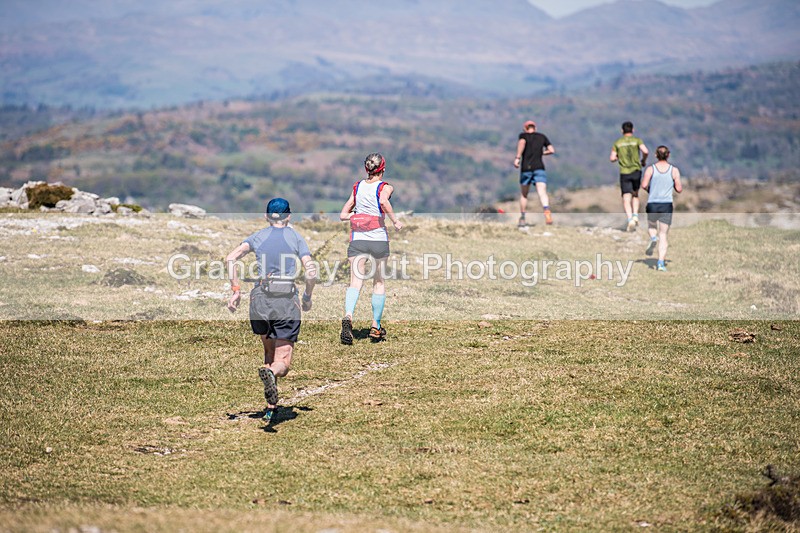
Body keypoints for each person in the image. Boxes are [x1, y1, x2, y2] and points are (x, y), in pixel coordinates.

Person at [226, 198, 317, 424]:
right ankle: (272, 376)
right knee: (282, 362)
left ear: (266, 217)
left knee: (268, 353)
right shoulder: (295, 237)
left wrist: (236, 291)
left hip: (260, 300)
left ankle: (270, 407)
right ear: (289, 217)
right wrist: (307, 296)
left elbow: (231, 258)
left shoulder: (258, 236)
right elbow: (311, 271)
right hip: (285, 300)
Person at [339, 153, 403, 344]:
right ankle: (375, 326)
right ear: (382, 168)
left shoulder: (357, 187)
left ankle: (348, 316)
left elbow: (343, 214)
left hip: (357, 239)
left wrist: (357, 217)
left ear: (366, 169)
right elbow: (383, 201)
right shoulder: (385, 187)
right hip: (378, 240)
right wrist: (395, 220)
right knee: (378, 282)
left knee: (355, 281)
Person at [641, 146, 683, 272]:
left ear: (655, 155)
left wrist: (651, 190)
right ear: (668, 155)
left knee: (652, 226)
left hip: (653, 203)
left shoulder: (651, 169)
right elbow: (679, 189)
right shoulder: (674, 170)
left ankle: (653, 238)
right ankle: (660, 263)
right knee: (663, 234)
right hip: (666, 204)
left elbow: (643, 185)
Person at [514, 120, 555, 227]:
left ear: (525, 128)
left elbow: (522, 143)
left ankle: (522, 217)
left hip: (526, 169)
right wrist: (541, 153)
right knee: (542, 192)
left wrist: (518, 157)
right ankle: (547, 212)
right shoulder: (542, 137)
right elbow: (551, 150)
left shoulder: (523, 136)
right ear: (535, 128)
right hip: (539, 168)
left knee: (524, 194)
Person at [610, 121, 649, 231]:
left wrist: (618, 157)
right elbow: (645, 151)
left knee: (626, 197)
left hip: (625, 172)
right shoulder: (637, 141)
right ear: (633, 130)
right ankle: (636, 215)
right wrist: (643, 160)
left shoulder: (618, 143)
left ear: (622, 131)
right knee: (635, 194)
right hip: (636, 170)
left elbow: (612, 158)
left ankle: (630, 218)